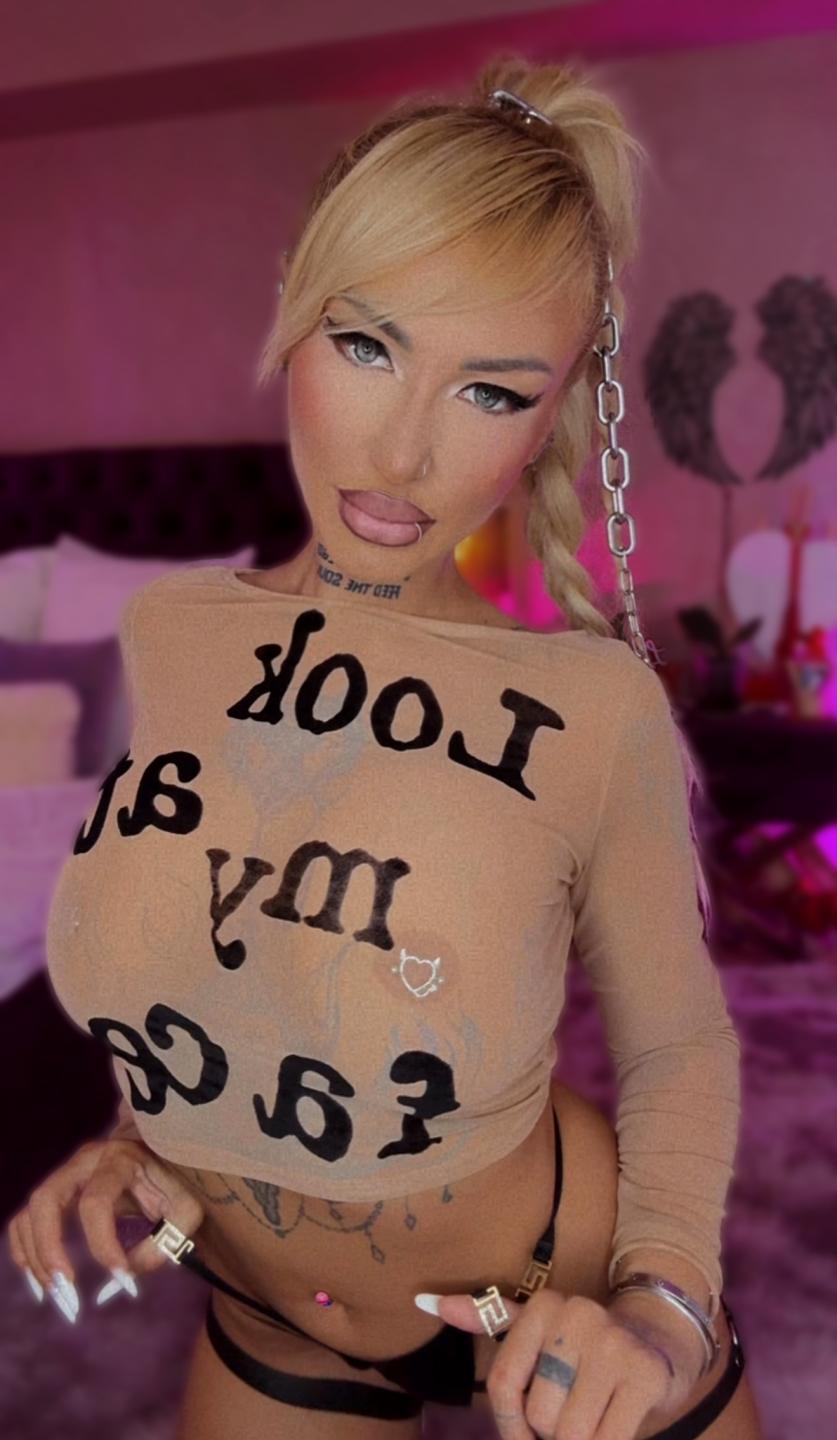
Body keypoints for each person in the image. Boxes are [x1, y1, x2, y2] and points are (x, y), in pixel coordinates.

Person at [7, 54, 765, 1440]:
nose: (405, 453)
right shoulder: (177, 634)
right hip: (260, 1314)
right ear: (293, 308)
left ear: (549, 418)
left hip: (563, 1302)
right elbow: (210, 942)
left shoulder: (591, 707)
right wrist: (135, 1144)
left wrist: (663, 1305)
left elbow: (675, 1038)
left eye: (491, 391)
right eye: (367, 347)